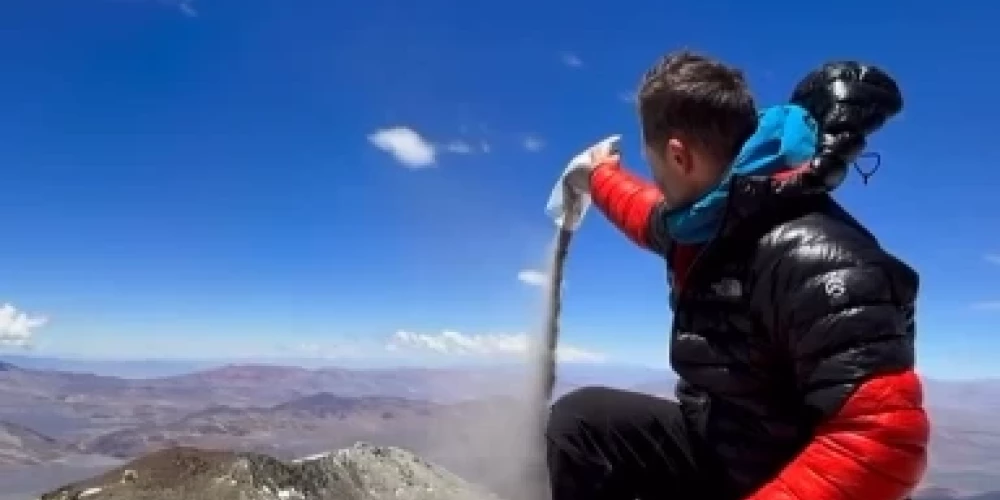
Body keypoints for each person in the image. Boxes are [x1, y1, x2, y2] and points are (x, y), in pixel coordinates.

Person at [545, 51, 928, 500]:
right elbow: (646, 215)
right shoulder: (705, 219)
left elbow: (884, 442)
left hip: (785, 473)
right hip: (724, 444)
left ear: (679, 157)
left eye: (655, 167)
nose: (657, 183)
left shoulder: (822, 256)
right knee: (582, 424)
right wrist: (599, 176)